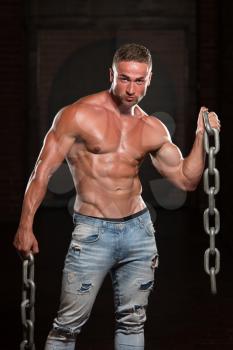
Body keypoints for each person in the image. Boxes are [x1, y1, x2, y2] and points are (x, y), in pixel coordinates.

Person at [13, 43, 220, 350]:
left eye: (139, 80)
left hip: (139, 232)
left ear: (149, 79)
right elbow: (41, 172)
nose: (131, 89)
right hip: (93, 232)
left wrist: (202, 137)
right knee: (67, 327)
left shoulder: (152, 127)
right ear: (111, 74)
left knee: (133, 321)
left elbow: (186, 180)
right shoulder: (77, 115)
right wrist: (25, 225)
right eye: (124, 78)